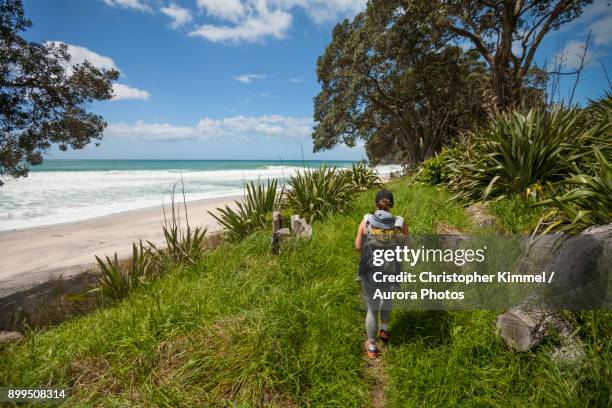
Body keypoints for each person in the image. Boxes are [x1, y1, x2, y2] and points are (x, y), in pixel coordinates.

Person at [355, 189, 409, 359]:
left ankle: (372, 347)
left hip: (371, 271)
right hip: (390, 270)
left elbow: (358, 246)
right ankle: (384, 331)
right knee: (387, 299)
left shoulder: (366, 221)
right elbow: (408, 248)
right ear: (391, 204)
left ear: (375, 203)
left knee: (371, 309)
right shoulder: (399, 223)